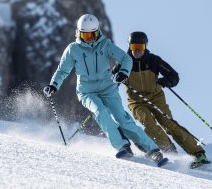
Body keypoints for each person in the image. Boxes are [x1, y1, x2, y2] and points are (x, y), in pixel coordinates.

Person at [43, 14, 167, 166]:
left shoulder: (105, 45)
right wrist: (53, 85)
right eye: (86, 34)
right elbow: (62, 70)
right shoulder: (73, 49)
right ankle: (123, 146)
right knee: (101, 112)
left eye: (93, 34)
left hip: (108, 89)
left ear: (98, 32)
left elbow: (126, 59)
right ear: (79, 33)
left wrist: (123, 73)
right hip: (87, 91)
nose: (90, 38)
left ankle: (153, 150)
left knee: (122, 119)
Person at [113, 31, 210, 168]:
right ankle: (170, 152)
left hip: (155, 98)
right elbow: (112, 79)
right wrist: (114, 80)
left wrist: (165, 81)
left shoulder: (153, 60)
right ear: (129, 46)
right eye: (134, 47)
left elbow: (174, 76)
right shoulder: (125, 62)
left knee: (169, 124)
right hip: (136, 101)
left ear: (146, 46)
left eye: (141, 47)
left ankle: (199, 153)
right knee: (149, 124)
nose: (137, 50)